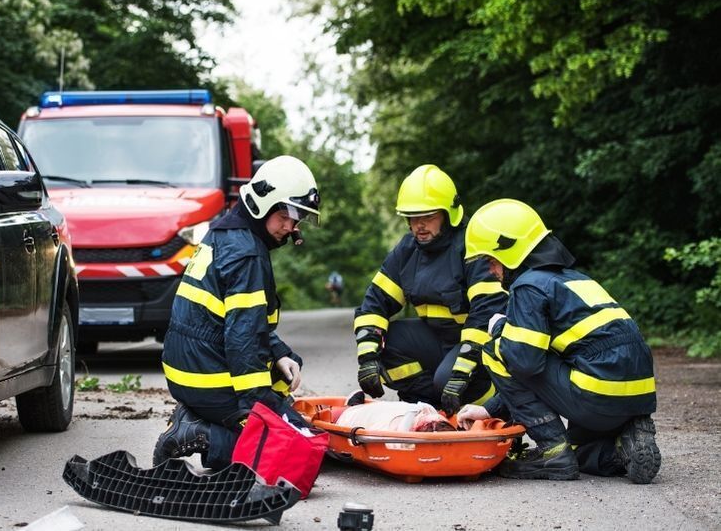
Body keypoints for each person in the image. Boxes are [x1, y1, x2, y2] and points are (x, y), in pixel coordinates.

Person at [457, 198, 660, 483]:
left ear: (510, 251)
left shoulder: (528, 286)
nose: (491, 271)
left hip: (596, 392)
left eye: (491, 261)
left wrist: (502, 328)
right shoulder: (575, 280)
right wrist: (487, 409)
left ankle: (553, 454)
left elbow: (523, 364)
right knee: (580, 451)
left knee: (496, 348)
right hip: (636, 394)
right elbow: (539, 366)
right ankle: (623, 444)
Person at [152, 155, 320, 468]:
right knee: (297, 454)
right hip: (207, 375)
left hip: (191, 368)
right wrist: (256, 408)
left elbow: (243, 322)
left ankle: (203, 418)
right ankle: (197, 432)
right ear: (264, 203)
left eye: (299, 217)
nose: (292, 226)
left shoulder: (227, 231)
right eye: (288, 213)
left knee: (288, 369)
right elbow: (243, 337)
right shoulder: (248, 255)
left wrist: (279, 353)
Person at [353, 164, 507, 415]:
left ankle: (496, 405)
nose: (419, 225)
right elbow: (375, 303)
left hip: (479, 347)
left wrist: (461, 370)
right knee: (386, 344)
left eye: (428, 216)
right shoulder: (407, 251)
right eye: (413, 218)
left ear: (449, 215)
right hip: (437, 340)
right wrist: (368, 358)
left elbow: (486, 314)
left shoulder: (472, 246)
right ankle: (432, 406)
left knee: (448, 379)